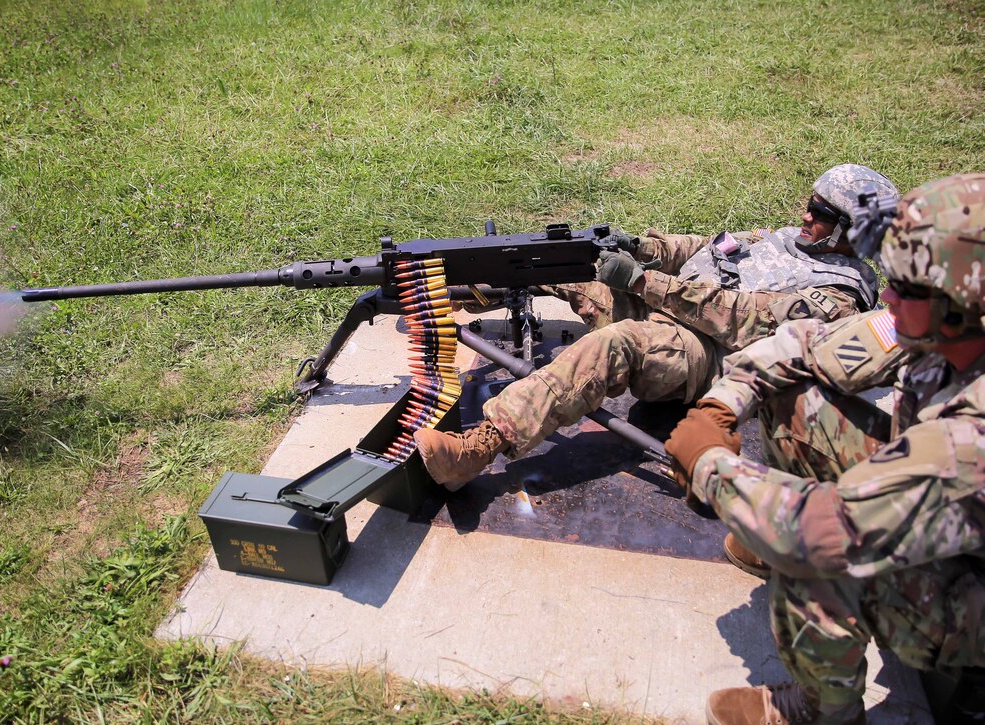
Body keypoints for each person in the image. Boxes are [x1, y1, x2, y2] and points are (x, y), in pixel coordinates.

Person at [665, 173, 985, 724]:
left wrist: (709, 466)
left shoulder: (972, 437)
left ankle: (824, 712)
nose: (886, 294)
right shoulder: (940, 325)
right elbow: (801, 345)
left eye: (905, 288)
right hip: (942, 517)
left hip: (972, 595)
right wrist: (717, 410)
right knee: (794, 395)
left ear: (960, 305)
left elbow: (818, 531)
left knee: (813, 569)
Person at [415, 164, 897, 490]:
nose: (805, 215)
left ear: (852, 231)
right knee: (567, 262)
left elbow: (742, 319)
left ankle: (478, 449)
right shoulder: (791, 241)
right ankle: (454, 287)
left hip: (706, 357)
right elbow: (709, 247)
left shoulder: (841, 296)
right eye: (811, 203)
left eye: (821, 213)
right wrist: (641, 247)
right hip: (669, 305)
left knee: (614, 344)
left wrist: (645, 282)